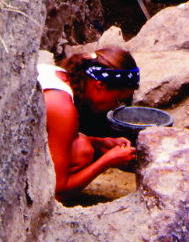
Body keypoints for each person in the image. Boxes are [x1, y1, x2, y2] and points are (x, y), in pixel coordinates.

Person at [37, 47, 139, 201]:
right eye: (118, 100)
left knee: (83, 143)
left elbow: (51, 136)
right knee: (82, 152)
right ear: (100, 85)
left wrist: (99, 143)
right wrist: (107, 161)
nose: (114, 107)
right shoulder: (62, 107)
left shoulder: (56, 74)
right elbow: (57, 191)